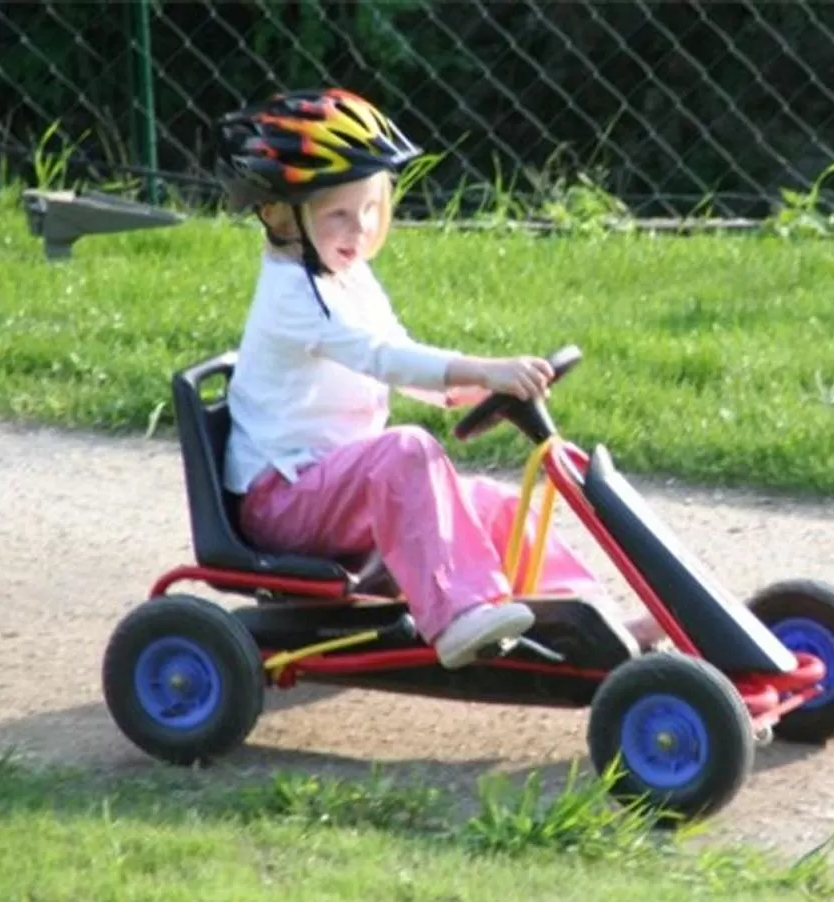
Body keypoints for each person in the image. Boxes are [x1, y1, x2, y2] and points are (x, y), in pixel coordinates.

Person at [213, 87, 657, 668]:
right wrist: (485, 368)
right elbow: (381, 357)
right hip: (282, 501)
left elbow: (401, 353)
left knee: (493, 504)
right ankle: (458, 617)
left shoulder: (345, 275)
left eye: (370, 209)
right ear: (276, 213)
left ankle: (588, 618)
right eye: (338, 215)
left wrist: (468, 390)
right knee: (406, 452)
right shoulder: (292, 294)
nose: (359, 229)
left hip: (335, 488)